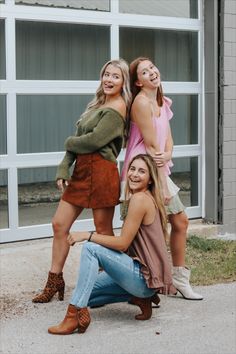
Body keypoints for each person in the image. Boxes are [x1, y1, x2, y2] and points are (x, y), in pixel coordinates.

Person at [32, 59, 132, 303]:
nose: (109, 79)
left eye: (115, 76)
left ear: (123, 82)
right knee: (59, 224)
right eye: (106, 74)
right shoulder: (96, 104)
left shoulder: (118, 107)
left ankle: (110, 284)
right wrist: (63, 168)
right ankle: (55, 280)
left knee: (103, 231)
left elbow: (93, 141)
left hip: (102, 172)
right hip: (81, 172)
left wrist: (67, 141)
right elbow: (79, 140)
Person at [47, 154, 176, 335]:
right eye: (132, 169)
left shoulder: (140, 200)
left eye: (142, 171)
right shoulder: (143, 197)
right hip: (143, 281)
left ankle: (74, 315)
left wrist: (87, 235)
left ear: (149, 179)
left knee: (91, 249)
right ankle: (139, 297)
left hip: (142, 277)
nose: (134, 174)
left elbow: (122, 244)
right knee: (87, 293)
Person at [120, 57, 203, 300]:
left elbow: (167, 140)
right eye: (145, 72)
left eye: (152, 67)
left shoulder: (160, 101)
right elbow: (150, 144)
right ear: (138, 81)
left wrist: (168, 154)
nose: (152, 72)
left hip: (158, 166)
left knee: (178, 223)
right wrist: (162, 182)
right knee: (140, 232)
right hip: (142, 171)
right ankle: (133, 284)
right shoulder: (142, 103)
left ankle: (178, 278)